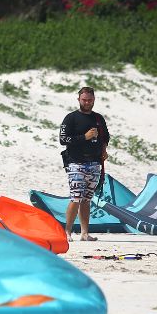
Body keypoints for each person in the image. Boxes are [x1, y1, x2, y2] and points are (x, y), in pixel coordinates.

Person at [59, 86, 110, 241]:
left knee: (87, 199)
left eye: (90, 100)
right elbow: (63, 139)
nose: (87, 103)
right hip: (76, 162)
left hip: (94, 163)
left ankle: (84, 233)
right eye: (84, 100)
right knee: (76, 197)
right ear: (79, 100)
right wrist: (84, 137)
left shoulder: (98, 118)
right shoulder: (71, 118)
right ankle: (67, 232)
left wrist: (104, 150)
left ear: (94, 100)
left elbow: (105, 137)